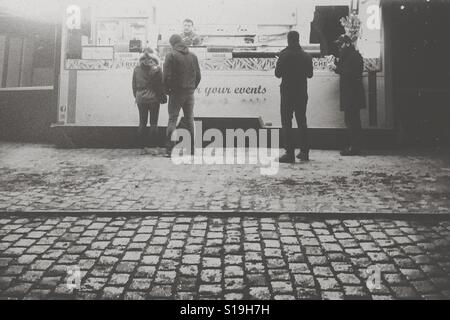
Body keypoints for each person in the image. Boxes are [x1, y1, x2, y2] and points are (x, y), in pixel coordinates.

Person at [275, 30, 313, 163]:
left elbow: (277, 74)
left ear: (288, 40)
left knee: (287, 123)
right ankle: (304, 152)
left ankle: (289, 153)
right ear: (298, 39)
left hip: (287, 93)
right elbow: (310, 75)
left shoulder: (284, 55)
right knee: (302, 122)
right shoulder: (306, 56)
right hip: (302, 93)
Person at [163, 34, 201, 157]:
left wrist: (167, 90)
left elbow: (166, 76)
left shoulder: (171, 55)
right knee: (189, 119)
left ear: (171, 44)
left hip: (176, 93)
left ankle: (170, 150)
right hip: (189, 93)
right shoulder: (193, 56)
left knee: (172, 119)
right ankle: (191, 149)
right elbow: (198, 75)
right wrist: (191, 88)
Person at [331, 34, 366, 156]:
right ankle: (355, 146)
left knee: (352, 121)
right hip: (352, 94)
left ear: (347, 44)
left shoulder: (353, 56)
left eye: (340, 44)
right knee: (352, 121)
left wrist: (337, 68)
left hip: (352, 94)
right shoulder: (352, 55)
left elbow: (351, 73)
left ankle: (354, 148)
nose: (339, 47)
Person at [132, 51, 164, 154]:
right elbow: (160, 85)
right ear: (154, 59)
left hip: (140, 97)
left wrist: (137, 96)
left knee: (142, 123)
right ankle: (154, 148)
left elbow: (134, 86)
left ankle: (142, 148)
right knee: (154, 123)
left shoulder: (136, 69)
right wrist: (161, 97)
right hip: (154, 98)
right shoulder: (158, 69)